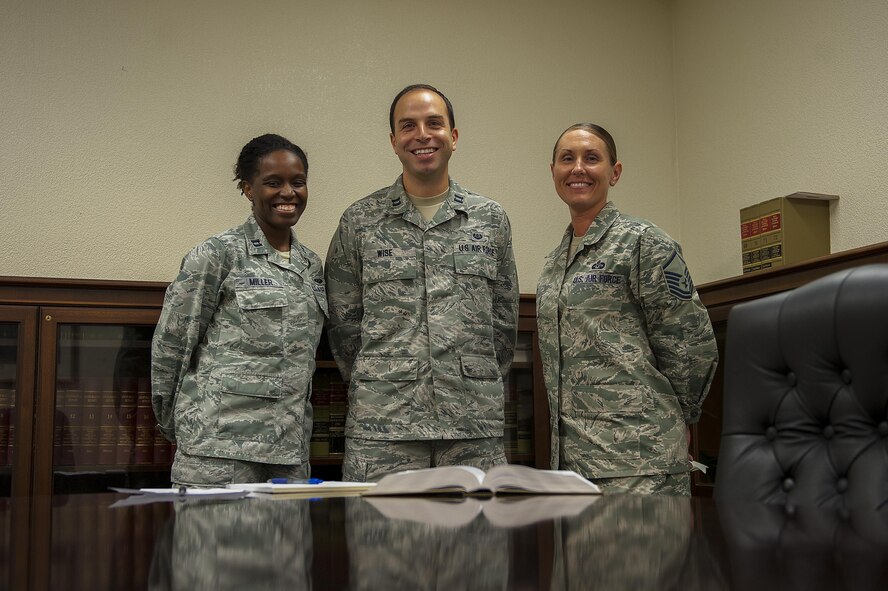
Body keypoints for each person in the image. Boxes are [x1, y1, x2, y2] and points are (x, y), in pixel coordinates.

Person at [325, 84, 519, 482]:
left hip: (472, 426)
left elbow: (503, 321)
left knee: (474, 541)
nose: (422, 134)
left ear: (454, 136)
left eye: (434, 123)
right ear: (394, 141)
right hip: (384, 428)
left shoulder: (490, 219)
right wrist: (387, 375)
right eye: (408, 125)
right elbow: (344, 325)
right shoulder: (360, 221)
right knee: (381, 540)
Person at [536, 123, 718, 495]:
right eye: (566, 159)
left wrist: (676, 416)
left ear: (614, 172)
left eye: (592, 158)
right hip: (574, 463)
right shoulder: (555, 262)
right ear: (553, 172)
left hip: (638, 459)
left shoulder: (642, 242)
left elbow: (689, 344)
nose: (578, 168)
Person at [151, 133, 327, 486]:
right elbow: (172, 346)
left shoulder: (311, 266)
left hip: (289, 454)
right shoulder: (218, 255)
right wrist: (183, 428)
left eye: (298, 182)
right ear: (248, 189)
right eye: (273, 183)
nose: (288, 193)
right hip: (218, 453)